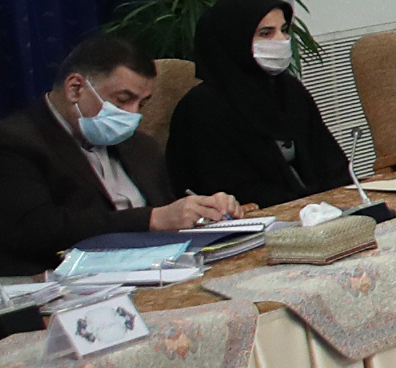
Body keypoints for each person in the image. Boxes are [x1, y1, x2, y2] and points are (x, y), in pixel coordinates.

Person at [0, 34, 240, 274]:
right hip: (64, 278)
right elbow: (34, 230)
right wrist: (151, 219)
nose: (133, 114)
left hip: (158, 270)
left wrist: (203, 212)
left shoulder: (141, 146)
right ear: (75, 88)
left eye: (142, 104)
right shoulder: (15, 141)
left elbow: (169, 212)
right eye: (123, 100)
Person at [166, 0, 351, 207]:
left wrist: (345, 202)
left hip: (314, 210)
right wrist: (306, 205)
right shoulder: (202, 108)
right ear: (235, 39)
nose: (282, 40)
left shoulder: (288, 89)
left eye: (284, 30)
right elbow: (230, 189)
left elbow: (331, 163)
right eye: (266, 33)